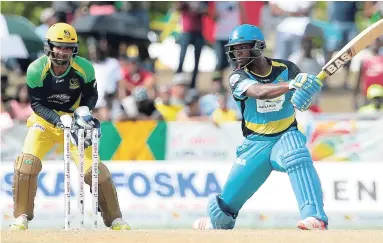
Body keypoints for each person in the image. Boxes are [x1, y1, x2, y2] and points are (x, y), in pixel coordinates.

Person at [192, 24, 328, 230]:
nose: (237, 53)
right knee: (222, 212)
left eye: (242, 48)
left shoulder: (287, 69)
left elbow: (301, 103)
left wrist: (308, 89)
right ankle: (216, 223)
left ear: (257, 47)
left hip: (285, 135)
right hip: (255, 143)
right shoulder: (237, 76)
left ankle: (314, 218)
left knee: (297, 156)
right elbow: (259, 91)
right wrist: (291, 85)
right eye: (234, 49)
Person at [11, 23, 130, 231]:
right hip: (44, 122)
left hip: (76, 123)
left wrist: (82, 112)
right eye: (59, 47)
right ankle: (21, 216)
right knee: (26, 166)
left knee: (96, 172)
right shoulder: (36, 69)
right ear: (49, 46)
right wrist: (57, 120)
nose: (64, 52)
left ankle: (115, 219)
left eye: (68, 47)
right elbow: (37, 104)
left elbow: (92, 96)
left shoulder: (84, 68)